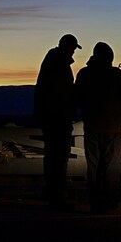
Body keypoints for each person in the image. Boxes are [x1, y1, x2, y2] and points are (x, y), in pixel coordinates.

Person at [74, 41, 121, 213]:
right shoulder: (117, 76)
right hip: (113, 128)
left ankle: (95, 201)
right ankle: (110, 200)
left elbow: (77, 97)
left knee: (93, 166)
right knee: (111, 166)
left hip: (92, 126)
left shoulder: (84, 74)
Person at [34, 33, 82, 209]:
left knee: (53, 156)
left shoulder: (52, 61)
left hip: (52, 117)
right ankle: (58, 195)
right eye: (73, 48)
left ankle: (54, 192)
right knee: (59, 157)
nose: (73, 53)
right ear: (67, 47)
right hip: (58, 118)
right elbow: (63, 93)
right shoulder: (59, 65)